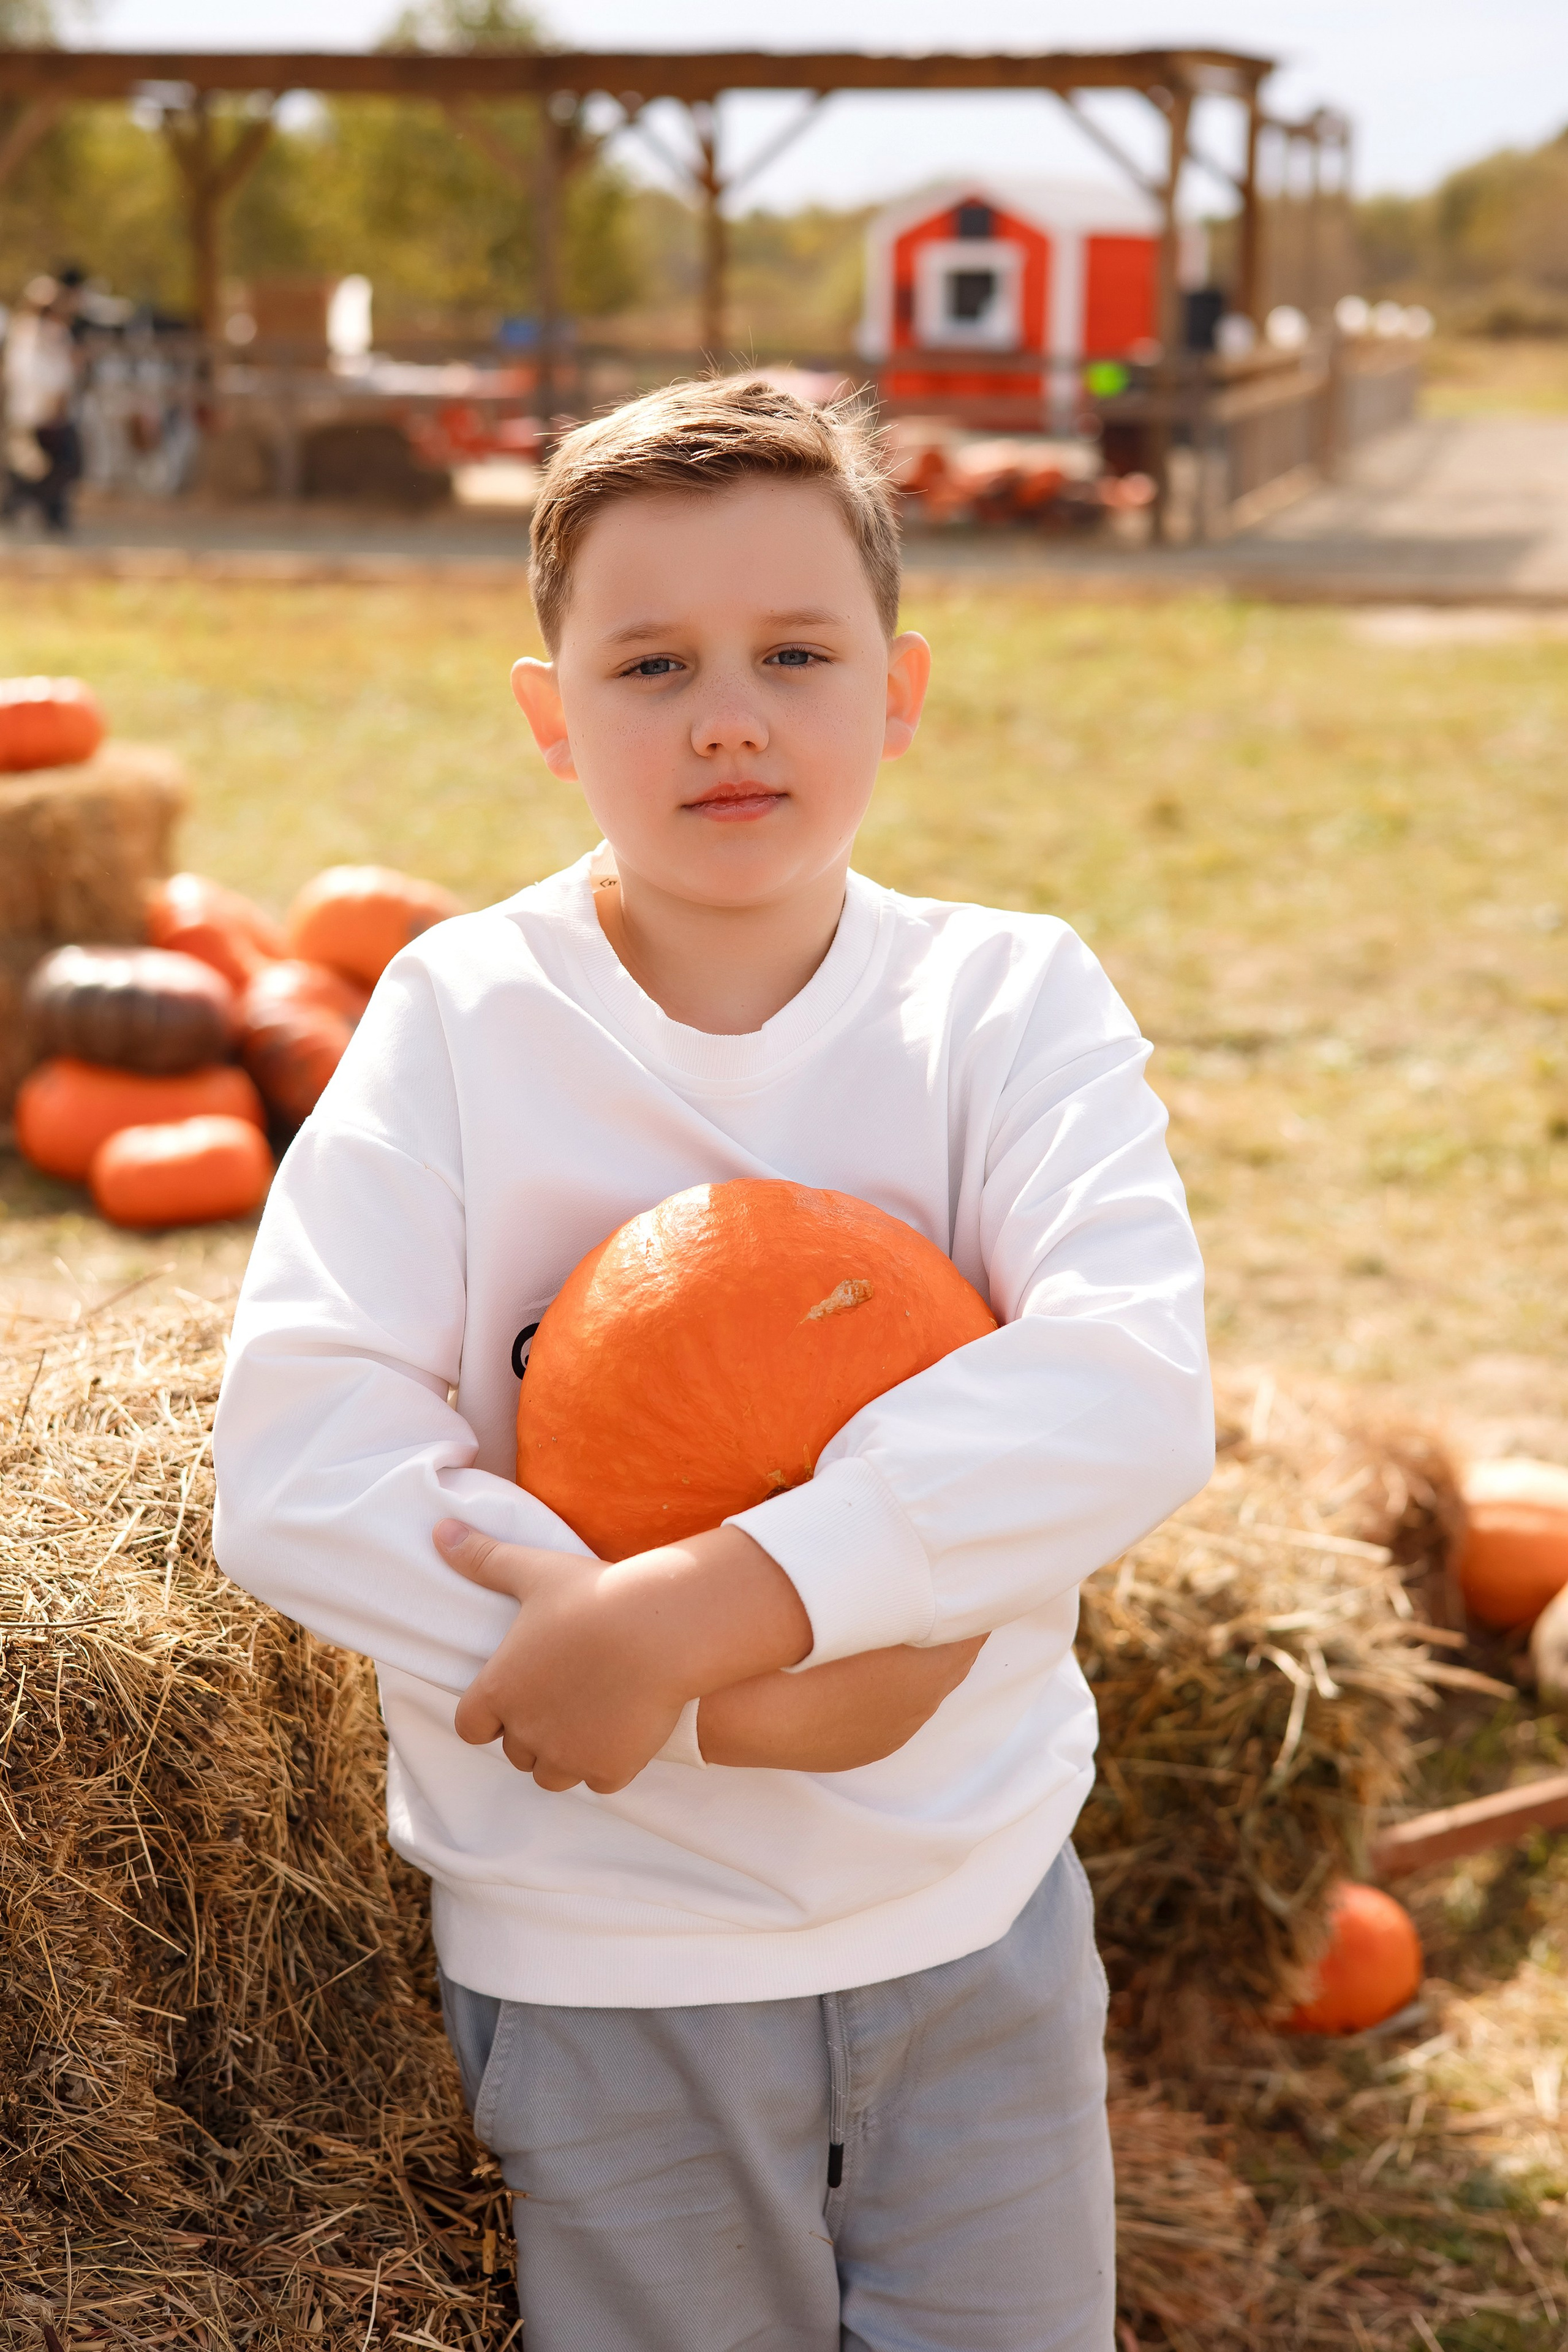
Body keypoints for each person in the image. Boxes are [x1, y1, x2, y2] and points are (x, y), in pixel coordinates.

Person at [213, 374, 1213, 2351]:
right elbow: (305, 1453)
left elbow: (1125, 1381)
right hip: (607, 1953)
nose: (729, 716)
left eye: (796, 656)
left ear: (898, 691)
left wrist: (732, 1601)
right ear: (550, 714)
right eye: (653, 663)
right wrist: (679, 1691)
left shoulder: (1003, 1003)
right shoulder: (463, 1019)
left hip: (973, 1914)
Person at [2, 274, 81, 533]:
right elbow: (25, 373)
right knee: (35, 467)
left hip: (53, 413)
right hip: (34, 412)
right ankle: (25, 508)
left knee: (61, 465)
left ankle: (48, 512)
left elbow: (64, 372)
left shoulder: (57, 333)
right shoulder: (25, 333)